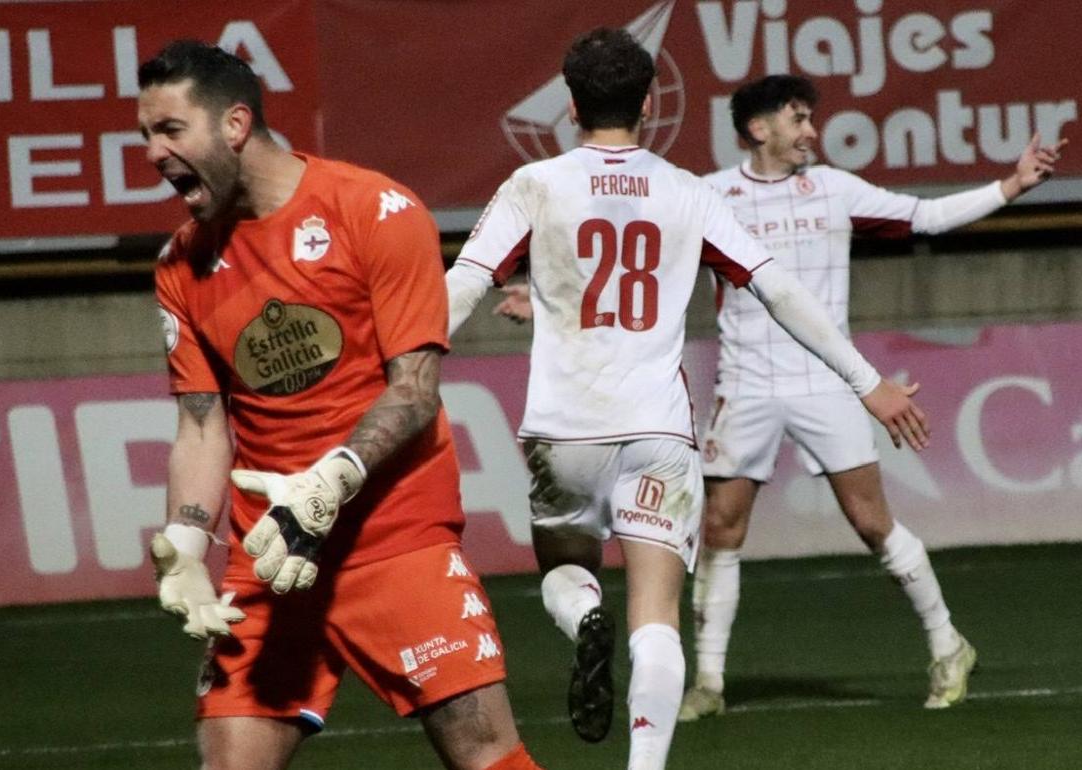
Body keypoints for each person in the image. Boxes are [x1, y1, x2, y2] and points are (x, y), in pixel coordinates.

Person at [445, 30, 927, 770]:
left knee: (563, 572)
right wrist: (867, 382)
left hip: (564, 429)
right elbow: (779, 290)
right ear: (648, 104)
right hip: (659, 434)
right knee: (657, 617)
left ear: (570, 106)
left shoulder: (534, 185)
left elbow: (466, 283)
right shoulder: (687, 191)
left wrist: (396, 361)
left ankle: (584, 618)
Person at [138, 40, 542, 770]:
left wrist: (333, 478)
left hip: (394, 539)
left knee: (484, 754)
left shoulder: (375, 211)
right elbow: (202, 427)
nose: (152, 151)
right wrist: (189, 546)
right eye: (146, 134)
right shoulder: (181, 264)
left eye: (169, 130)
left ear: (234, 126)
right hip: (270, 558)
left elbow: (415, 391)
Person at [673, 74, 1068, 721]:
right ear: (757, 129)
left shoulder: (834, 189)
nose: (810, 130)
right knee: (720, 528)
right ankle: (710, 683)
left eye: (810, 118)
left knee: (870, 521)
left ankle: (948, 645)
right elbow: (646, 262)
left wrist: (1012, 186)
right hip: (744, 384)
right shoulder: (711, 196)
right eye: (798, 119)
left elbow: (927, 215)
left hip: (830, 381)